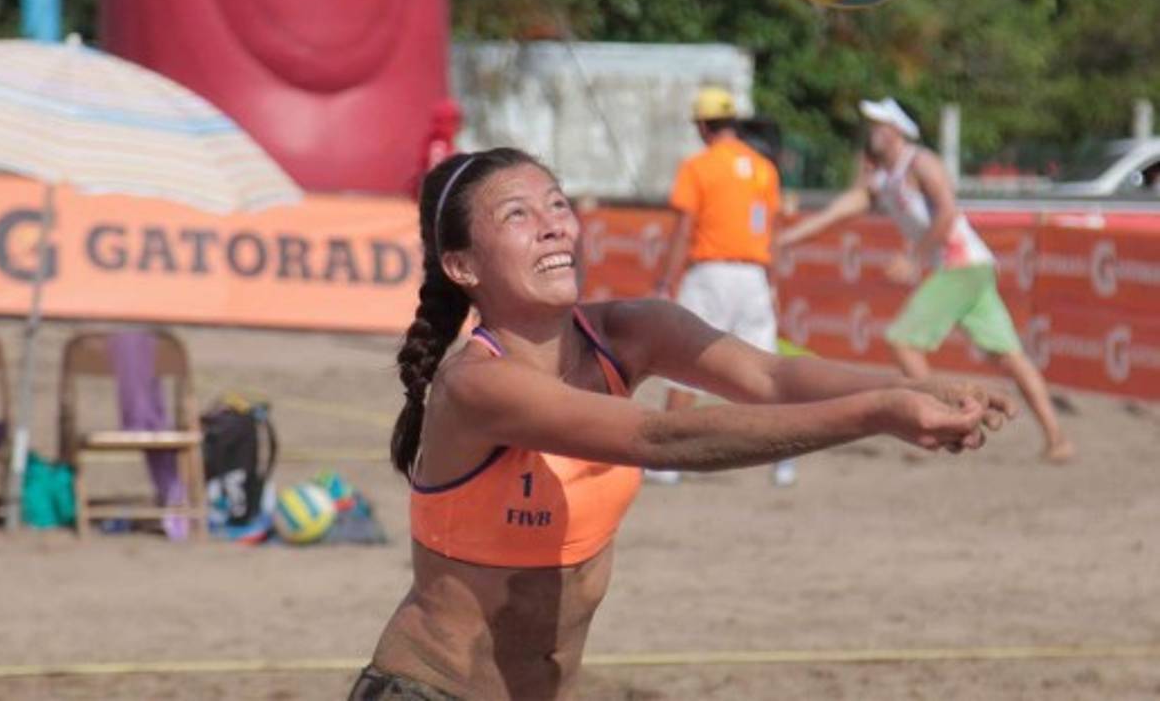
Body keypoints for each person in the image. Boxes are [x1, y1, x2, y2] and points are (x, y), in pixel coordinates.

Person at [352, 146, 1014, 700]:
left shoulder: (630, 331)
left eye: (556, 204)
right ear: (462, 266)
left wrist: (909, 385)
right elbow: (662, 437)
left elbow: (770, 377)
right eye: (518, 215)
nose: (553, 224)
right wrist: (877, 413)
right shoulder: (476, 384)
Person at [778, 97, 1074, 464]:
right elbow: (838, 212)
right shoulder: (883, 178)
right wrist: (786, 239)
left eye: (880, 125)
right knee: (1010, 357)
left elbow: (948, 211)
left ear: (898, 131)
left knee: (903, 342)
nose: (872, 132)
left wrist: (913, 257)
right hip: (971, 267)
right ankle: (1057, 438)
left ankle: (942, 423)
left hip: (960, 266)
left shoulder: (920, 162)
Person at [650, 86, 795, 487]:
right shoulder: (765, 168)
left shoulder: (698, 166)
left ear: (702, 125)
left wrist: (666, 279)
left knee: (684, 361)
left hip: (710, 273)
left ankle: (667, 462)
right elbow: (774, 233)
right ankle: (783, 460)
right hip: (753, 276)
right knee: (766, 372)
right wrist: (774, 284)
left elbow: (683, 230)